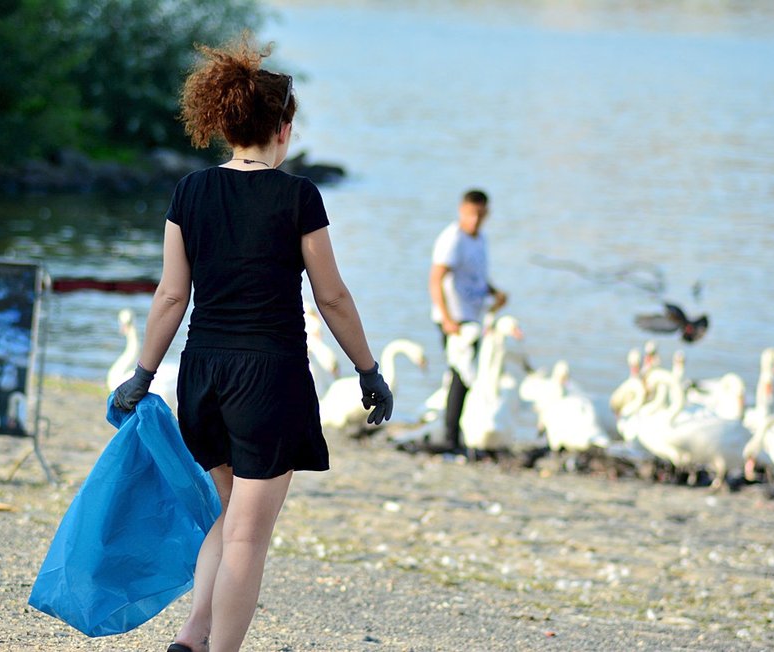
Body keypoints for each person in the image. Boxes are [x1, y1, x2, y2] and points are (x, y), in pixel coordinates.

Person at [111, 36, 392, 652]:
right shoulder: (298, 197)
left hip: (203, 375)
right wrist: (367, 368)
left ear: (227, 123)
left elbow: (169, 297)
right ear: (284, 129)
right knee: (246, 535)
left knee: (230, 515)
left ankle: (190, 639)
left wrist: (140, 374)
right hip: (270, 379)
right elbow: (333, 297)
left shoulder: (189, 192)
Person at [428, 189, 507, 454]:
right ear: (462, 210)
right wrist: (447, 319)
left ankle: (456, 434)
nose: (475, 220)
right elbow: (435, 279)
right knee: (461, 376)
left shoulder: (480, 239)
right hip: (455, 321)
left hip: (473, 318)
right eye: (471, 214)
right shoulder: (453, 239)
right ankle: (451, 437)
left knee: (465, 377)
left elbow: (475, 278)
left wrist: (495, 292)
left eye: (480, 215)